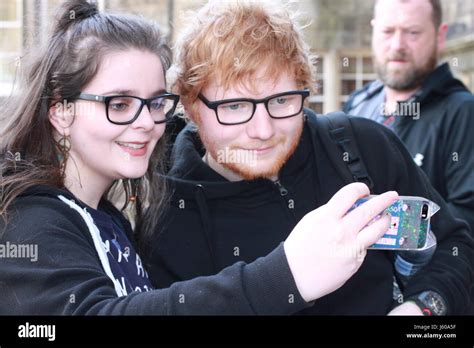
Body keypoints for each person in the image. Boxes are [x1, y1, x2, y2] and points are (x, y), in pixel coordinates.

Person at [0, 0, 398, 315]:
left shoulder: (107, 217)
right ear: (60, 111)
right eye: (119, 104)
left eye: (155, 103)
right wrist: (288, 275)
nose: (145, 123)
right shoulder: (29, 222)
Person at [141, 0, 474, 315]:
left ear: (304, 87)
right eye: (235, 106)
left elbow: (455, 246)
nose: (263, 129)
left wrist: (420, 308)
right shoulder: (166, 216)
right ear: (192, 105)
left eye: (282, 101)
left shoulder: (362, 148)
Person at [343, 0, 474, 314]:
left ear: (439, 36)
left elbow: (465, 223)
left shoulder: (463, 112)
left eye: (413, 32)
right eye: (388, 31)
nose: (398, 44)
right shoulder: (357, 107)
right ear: (374, 31)